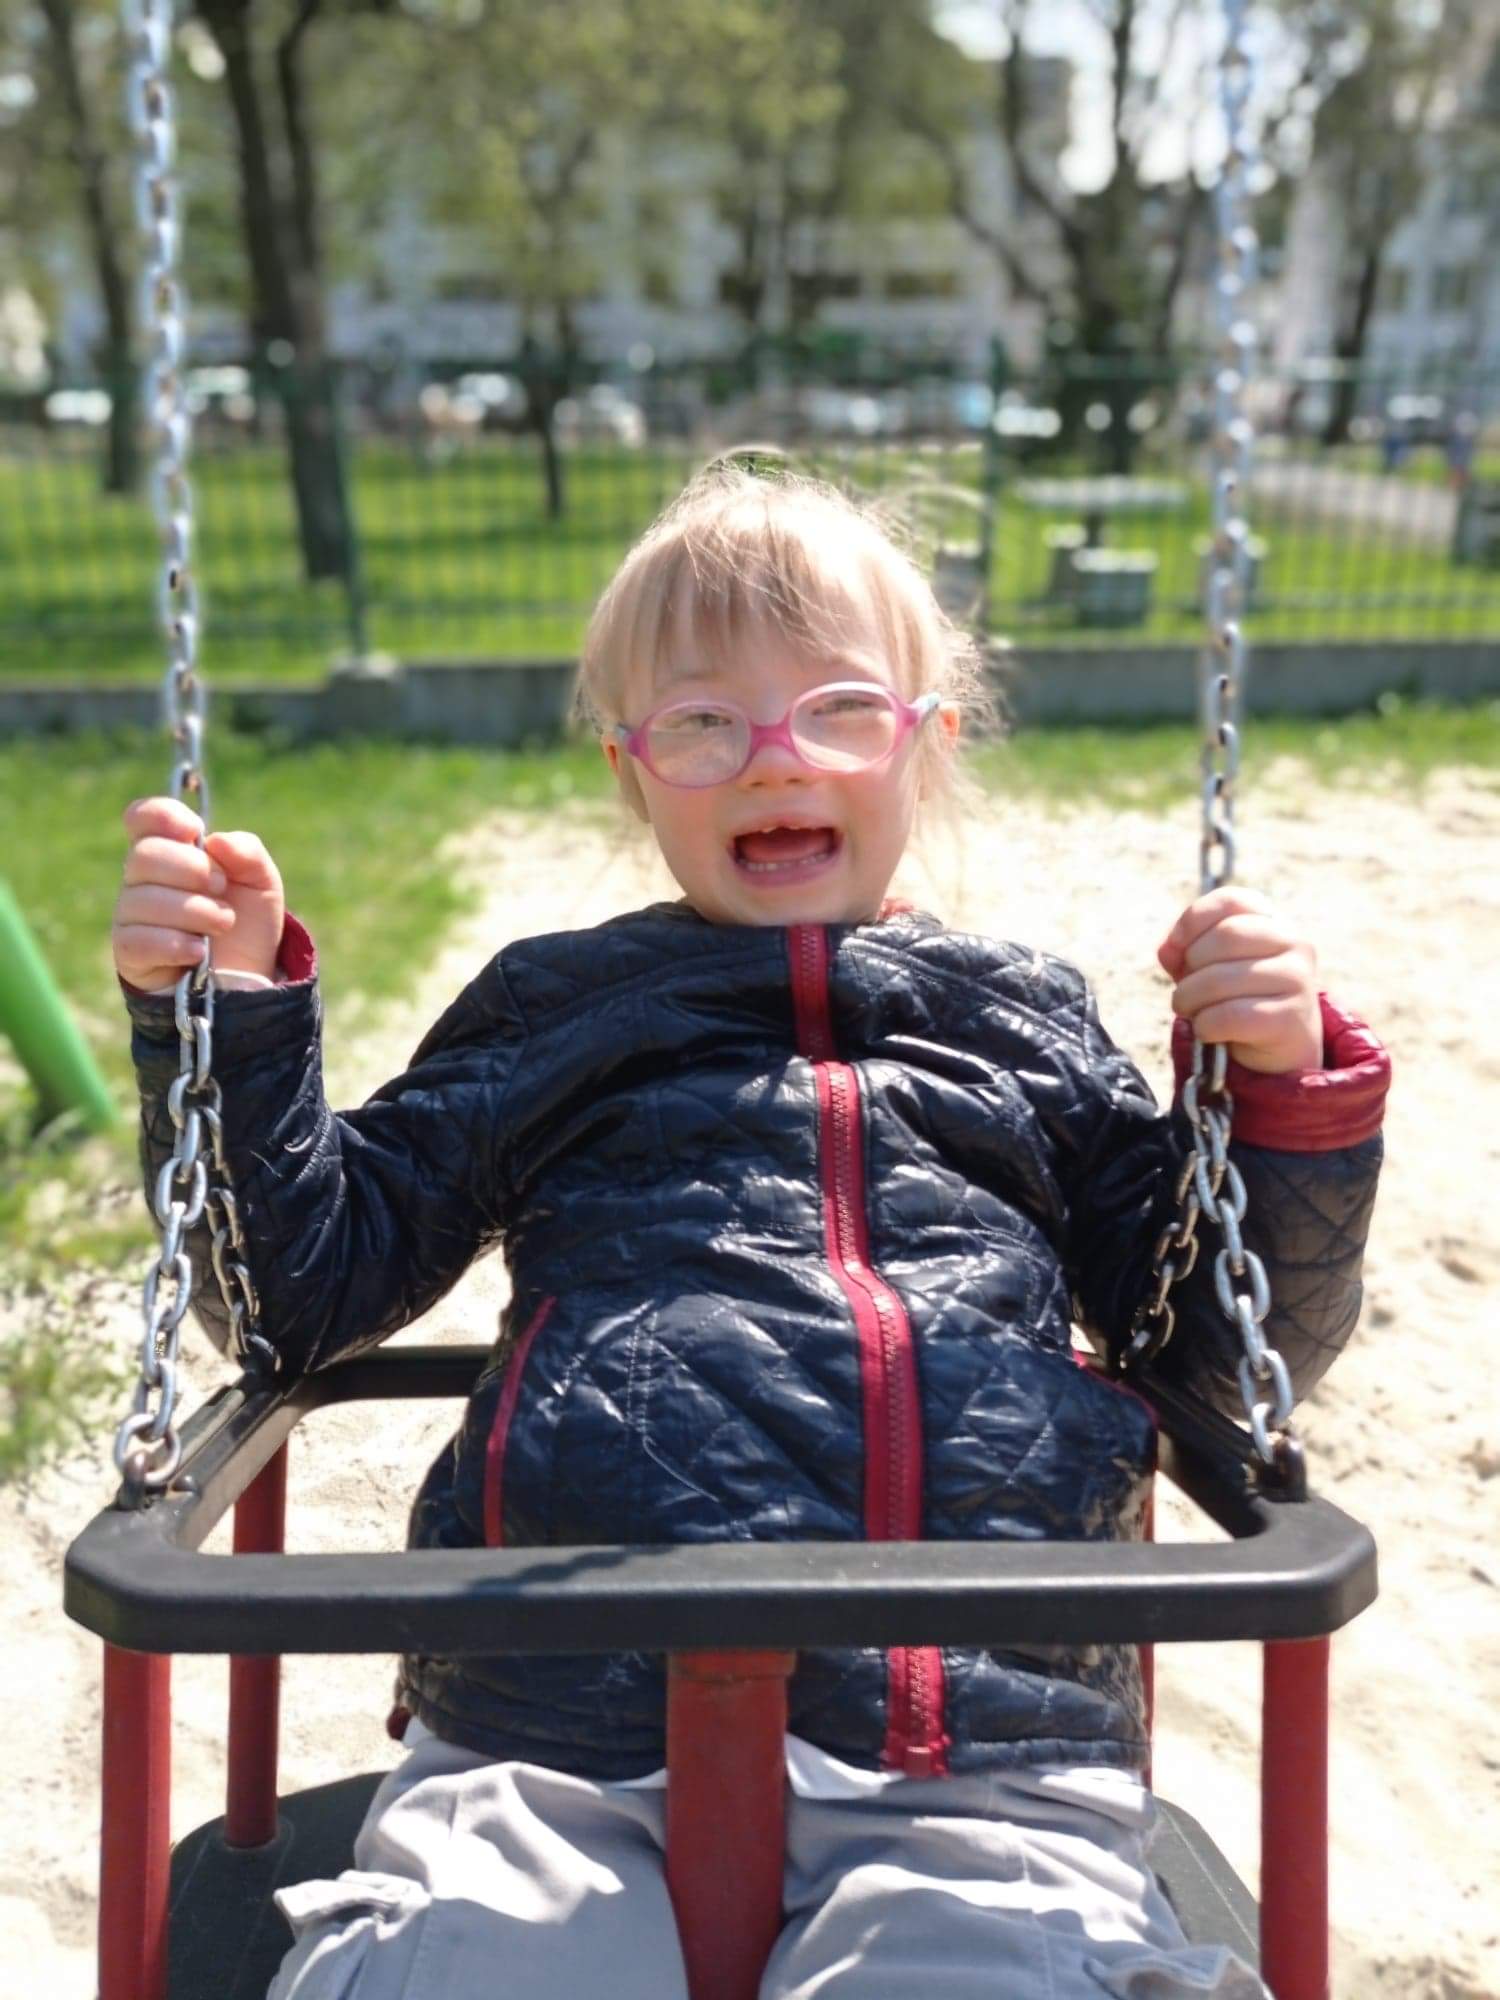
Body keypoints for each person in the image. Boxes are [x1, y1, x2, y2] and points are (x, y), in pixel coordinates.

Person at [112, 464, 1389, 2000]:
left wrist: (1279, 1094)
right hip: (551, 1717)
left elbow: (1227, 1360)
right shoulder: (551, 1009)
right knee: (467, 1966)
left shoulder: (1027, 1028)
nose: (773, 761)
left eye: (837, 711)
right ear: (631, 771)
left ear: (930, 740)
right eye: (703, 723)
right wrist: (232, 1021)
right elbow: (301, 1296)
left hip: (978, 1734)